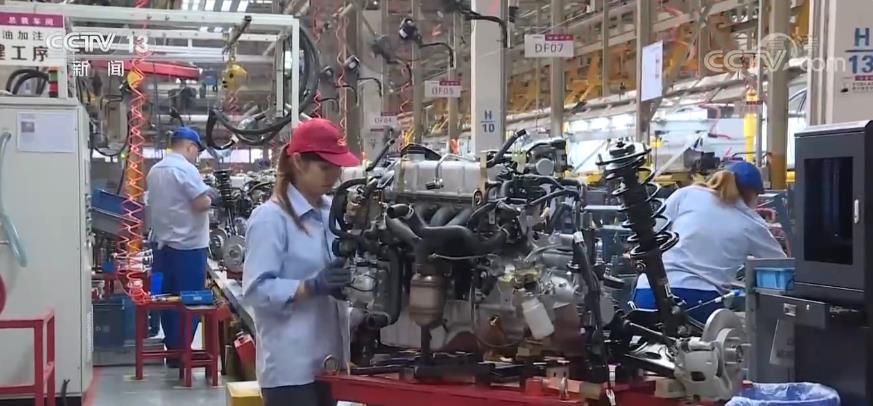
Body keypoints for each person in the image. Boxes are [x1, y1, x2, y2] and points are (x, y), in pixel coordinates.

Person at [242, 118, 360, 406]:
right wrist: (311, 286)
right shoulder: (271, 219)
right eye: (324, 167)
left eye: (337, 167)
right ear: (297, 162)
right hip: (291, 371)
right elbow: (256, 291)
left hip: (329, 364)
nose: (333, 175)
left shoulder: (330, 213)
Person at [632, 161, 787, 322]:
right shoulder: (751, 223)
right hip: (698, 300)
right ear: (751, 193)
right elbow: (781, 264)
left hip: (647, 292)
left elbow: (652, 232)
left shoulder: (686, 194)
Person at [146, 126, 218, 365]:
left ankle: (173, 349)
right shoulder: (186, 169)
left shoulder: (155, 171)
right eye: (196, 151)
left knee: (166, 299)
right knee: (191, 300)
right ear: (189, 147)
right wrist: (212, 198)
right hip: (189, 248)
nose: (196, 156)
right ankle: (183, 352)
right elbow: (200, 203)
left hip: (161, 246)